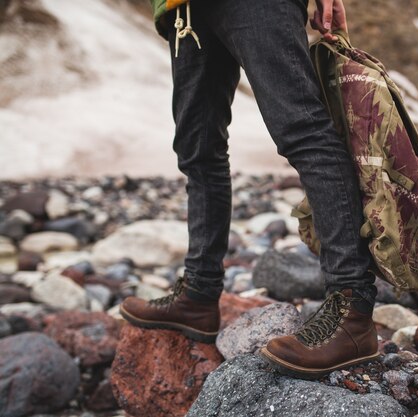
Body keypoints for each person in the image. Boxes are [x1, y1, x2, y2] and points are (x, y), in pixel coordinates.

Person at [120, 0, 379, 379]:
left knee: (303, 130)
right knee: (198, 149)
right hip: (184, 9)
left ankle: (352, 311)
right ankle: (199, 294)